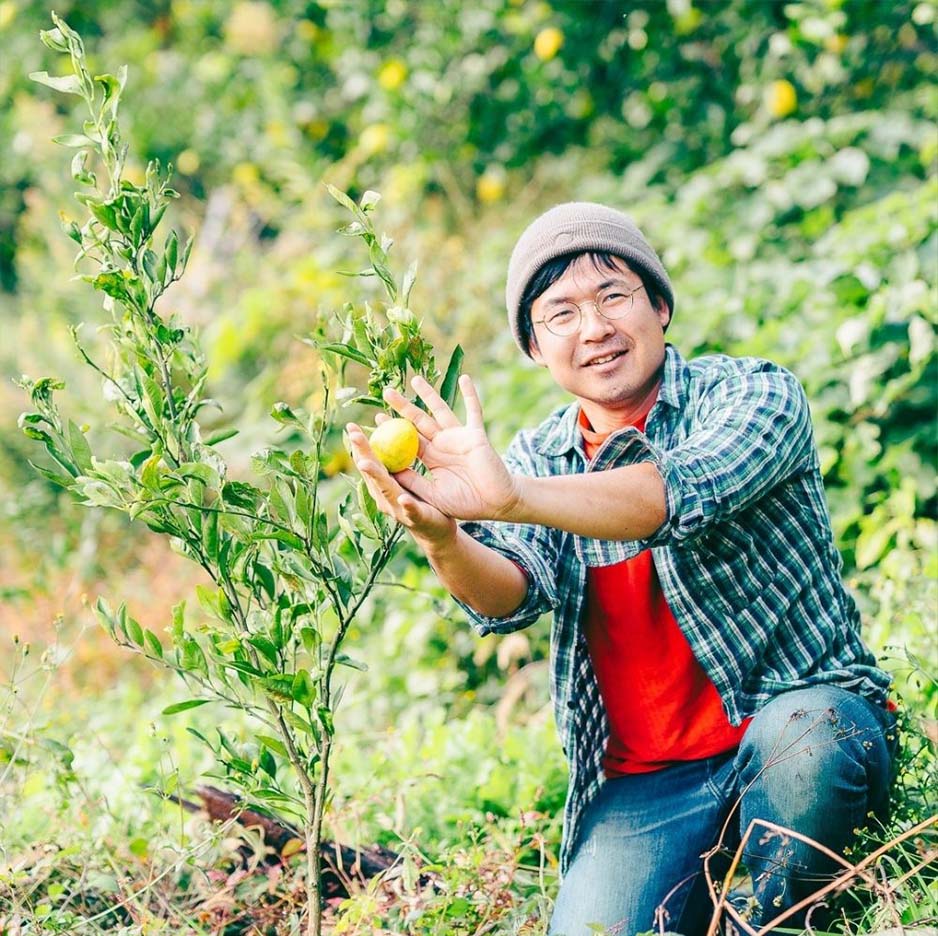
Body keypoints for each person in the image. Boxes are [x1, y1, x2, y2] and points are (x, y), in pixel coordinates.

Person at [345, 202, 896, 935]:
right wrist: (444, 539)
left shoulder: (754, 395)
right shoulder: (538, 458)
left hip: (793, 722)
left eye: (614, 297)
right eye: (561, 314)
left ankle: (757, 920)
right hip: (648, 782)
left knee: (809, 748)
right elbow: (509, 592)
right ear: (536, 348)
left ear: (659, 306)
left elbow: (671, 494)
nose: (595, 329)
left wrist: (512, 497)